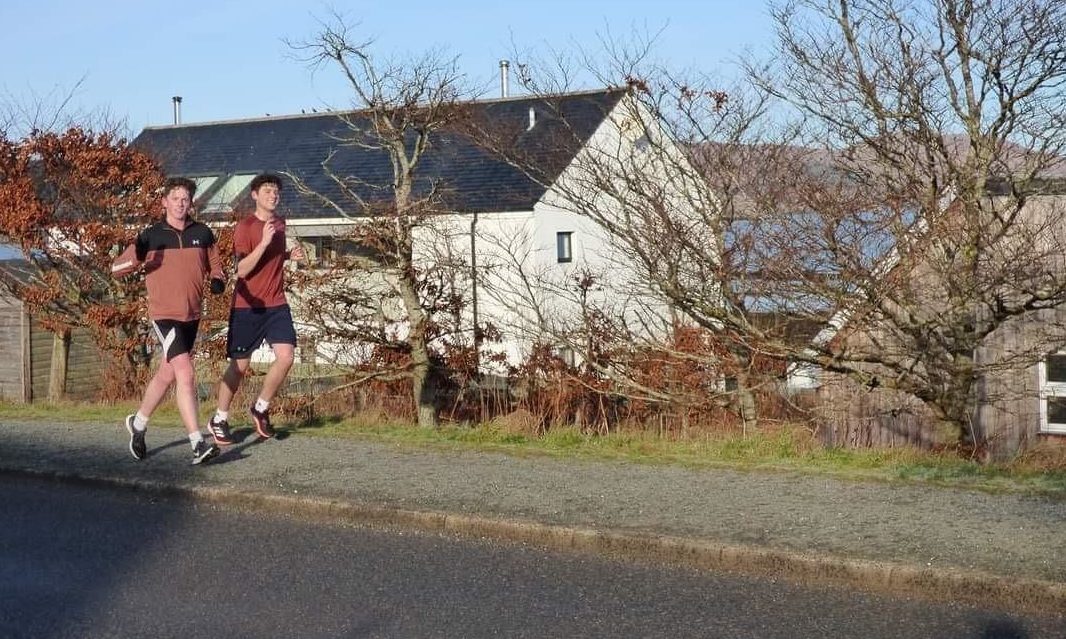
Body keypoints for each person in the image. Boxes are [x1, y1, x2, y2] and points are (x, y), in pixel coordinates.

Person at [111, 176, 226, 465]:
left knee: (167, 374)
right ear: (164, 202)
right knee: (185, 373)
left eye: (185, 198)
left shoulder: (203, 233)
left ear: (191, 203)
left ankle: (138, 424)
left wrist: (217, 280)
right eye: (175, 198)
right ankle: (198, 442)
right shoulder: (151, 235)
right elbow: (117, 269)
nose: (180, 203)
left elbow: (216, 264)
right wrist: (137, 254)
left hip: (192, 316)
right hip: (164, 316)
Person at [206, 173, 304, 444]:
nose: (273, 195)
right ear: (255, 195)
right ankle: (219, 418)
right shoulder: (245, 227)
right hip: (248, 306)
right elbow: (241, 270)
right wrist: (263, 242)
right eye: (268, 191)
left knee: (286, 356)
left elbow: (271, 261)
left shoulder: (280, 224)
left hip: (276, 303)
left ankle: (260, 408)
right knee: (240, 366)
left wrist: (287, 255)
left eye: (276, 192)